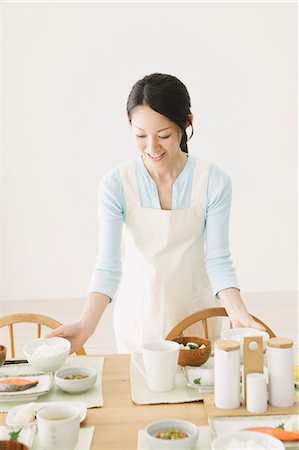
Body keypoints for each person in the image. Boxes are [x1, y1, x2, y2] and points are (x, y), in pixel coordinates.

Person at [47, 73, 265, 353]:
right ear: (128, 123)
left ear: (186, 124)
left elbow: (218, 259)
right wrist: (85, 325)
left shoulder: (213, 181)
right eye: (140, 135)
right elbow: (108, 266)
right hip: (138, 320)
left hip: (196, 316)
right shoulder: (115, 184)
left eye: (163, 135)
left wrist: (239, 314)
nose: (152, 147)